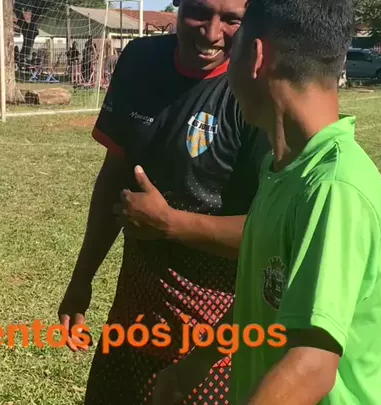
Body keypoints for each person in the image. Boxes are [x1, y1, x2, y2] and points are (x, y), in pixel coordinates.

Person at [152, 0, 381, 404]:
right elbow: (266, 297)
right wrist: (198, 361)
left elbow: (312, 365)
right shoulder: (282, 169)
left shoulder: (334, 188)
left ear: (256, 56)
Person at [56, 0, 270, 403]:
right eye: (199, 12)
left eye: (231, 19)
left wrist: (171, 223)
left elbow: (276, 235)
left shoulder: (258, 88)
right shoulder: (141, 61)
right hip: (134, 311)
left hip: (213, 338)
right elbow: (114, 178)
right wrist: (81, 279)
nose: (211, 33)